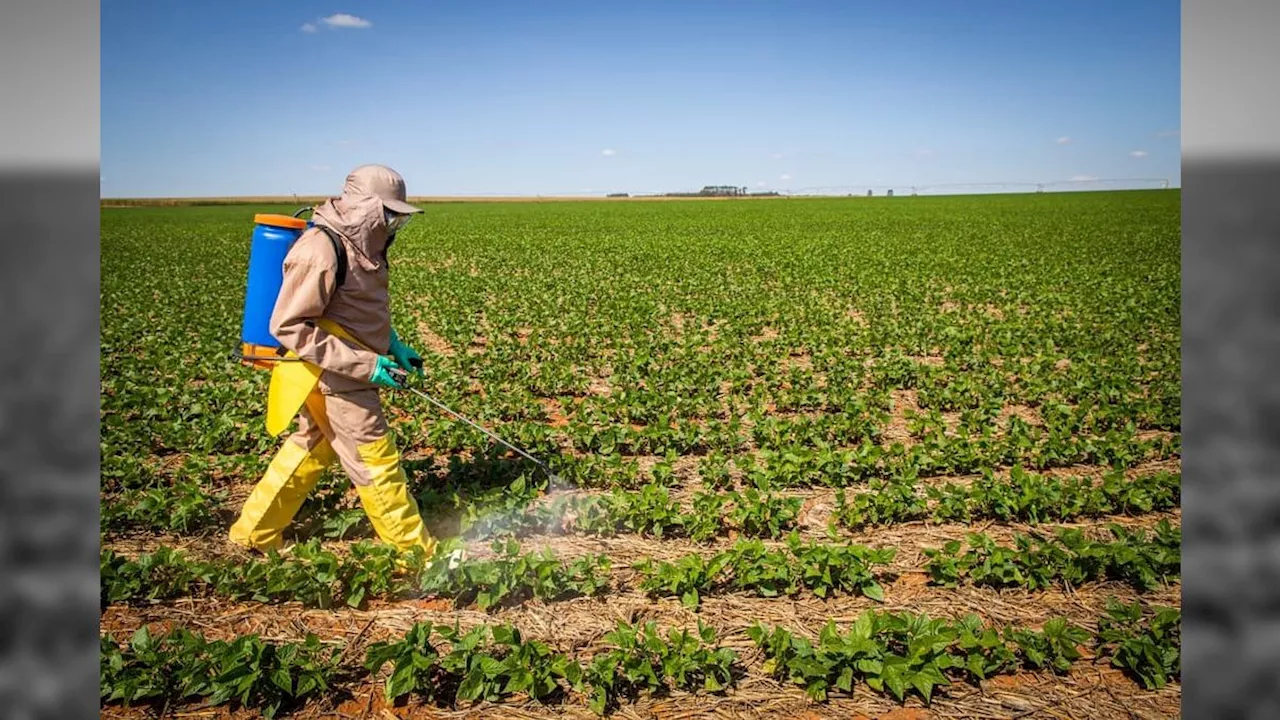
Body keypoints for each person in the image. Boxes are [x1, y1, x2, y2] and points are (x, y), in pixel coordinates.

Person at [229, 164, 439, 558]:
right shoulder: (321, 251)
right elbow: (288, 326)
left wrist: (393, 344)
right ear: (366, 209)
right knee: (376, 463)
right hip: (337, 376)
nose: (394, 224)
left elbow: (352, 308)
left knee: (313, 446)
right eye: (388, 214)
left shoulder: (364, 245)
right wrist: (367, 365)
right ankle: (417, 556)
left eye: (398, 216)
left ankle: (253, 532)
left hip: (343, 370)